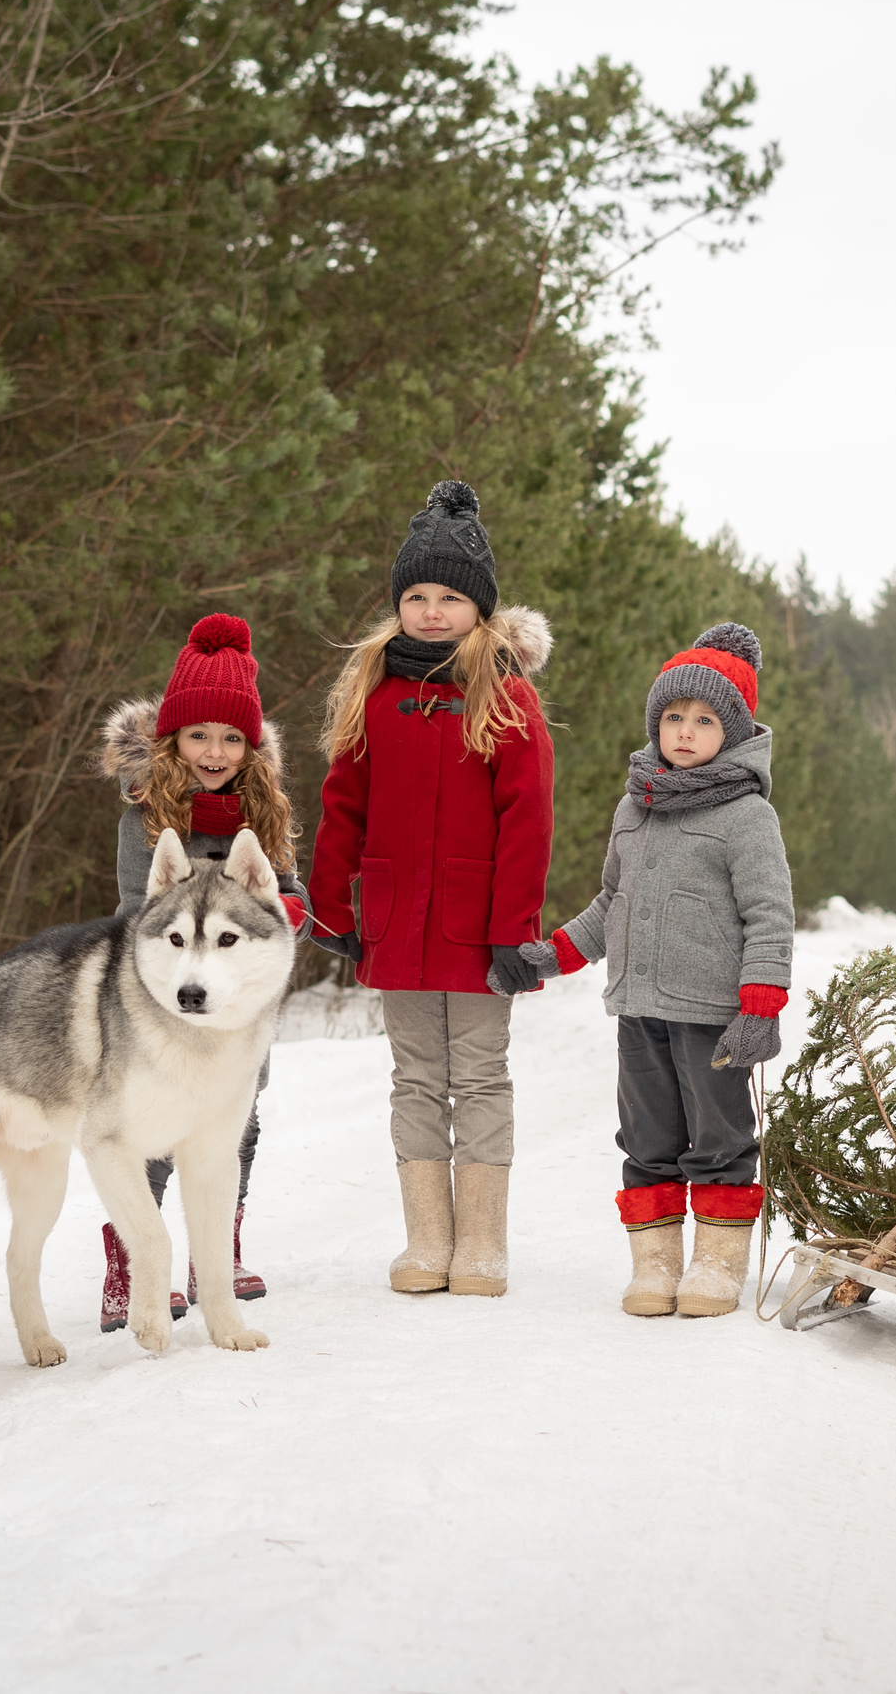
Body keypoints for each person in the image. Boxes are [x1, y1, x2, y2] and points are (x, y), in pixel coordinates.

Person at [491, 623, 793, 1318]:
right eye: (673, 717)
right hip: (639, 1009)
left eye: (705, 719)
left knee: (719, 1138)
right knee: (647, 1136)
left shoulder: (748, 816)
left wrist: (760, 1004)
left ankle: (716, 1264)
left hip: (713, 1015)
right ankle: (655, 1264)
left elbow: (770, 915)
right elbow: (611, 904)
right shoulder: (636, 806)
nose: (685, 731)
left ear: (734, 731)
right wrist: (551, 955)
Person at [307, 480, 554, 1298]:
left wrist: (516, 929)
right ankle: (427, 1239)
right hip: (393, 921)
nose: (431, 610)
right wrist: (331, 907)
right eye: (416, 594)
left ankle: (481, 1243)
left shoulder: (508, 696)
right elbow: (344, 803)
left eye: (450, 595)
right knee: (415, 1076)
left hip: (476, 927)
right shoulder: (374, 695)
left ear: (480, 607)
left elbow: (528, 820)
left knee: (479, 1074)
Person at [93, 613, 308, 1333]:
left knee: (236, 1118)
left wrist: (292, 911)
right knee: (150, 1126)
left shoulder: (263, 810)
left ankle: (218, 1248)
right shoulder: (145, 814)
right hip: (161, 1001)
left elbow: (284, 885)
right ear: (172, 738)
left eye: (231, 738)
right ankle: (132, 1251)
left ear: (250, 746)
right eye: (198, 735)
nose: (214, 752)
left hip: (240, 999)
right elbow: (134, 910)